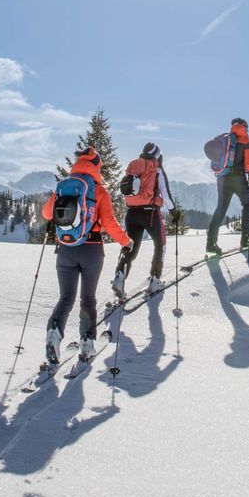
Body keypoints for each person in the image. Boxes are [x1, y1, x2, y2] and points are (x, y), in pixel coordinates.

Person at [43, 146, 131, 364]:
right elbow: (109, 223)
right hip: (91, 250)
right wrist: (126, 241)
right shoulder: (99, 191)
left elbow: (46, 213)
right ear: (97, 165)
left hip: (65, 249)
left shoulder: (65, 187)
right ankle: (87, 343)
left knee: (66, 298)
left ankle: (53, 334)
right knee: (88, 298)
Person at [112, 142, 178, 299]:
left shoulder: (133, 167)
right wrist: (174, 213)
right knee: (160, 245)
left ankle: (119, 278)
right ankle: (155, 279)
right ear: (157, 156)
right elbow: (166, 195)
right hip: (150, 213)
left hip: (131, 213)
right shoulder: (157, 170)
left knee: (130, 247)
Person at [206, 117, 249, 255]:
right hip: (238, 178)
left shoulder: (226, 138)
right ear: (244, 127)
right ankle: (246, 240)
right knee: (248, 204)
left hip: (222, 178)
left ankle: (211, 244)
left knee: (220, 209)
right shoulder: (246, 140)